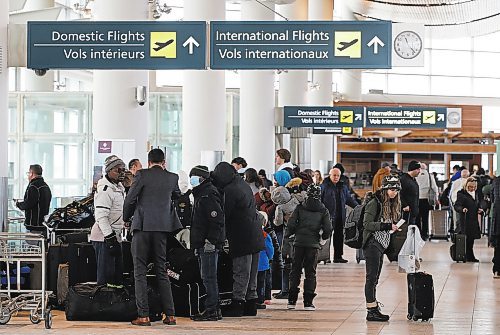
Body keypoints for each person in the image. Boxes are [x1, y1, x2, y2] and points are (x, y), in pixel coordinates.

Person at [123, 148, 183, 327]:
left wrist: (126, 219)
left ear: (148, 162)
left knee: (139, 271)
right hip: (162, 229)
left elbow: (130, 199)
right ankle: (171, 315)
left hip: (142, 228)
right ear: (163, 162)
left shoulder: (141, 175)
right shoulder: (172, 177)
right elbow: (177, 196)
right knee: (161, 270)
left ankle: (144, 316)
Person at [211, 162, 265, 317]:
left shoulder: (230, 190)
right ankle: (250, 305)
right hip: (255, 233)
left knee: (241, 272)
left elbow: (224, 214)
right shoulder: (242, 184)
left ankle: (237, 305)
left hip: (242, 236)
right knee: (252, 273)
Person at [286, 184, 332, 311]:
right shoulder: (323, 210)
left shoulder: (300, 207)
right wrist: (323, 239)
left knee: (295, 271)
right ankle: (308, 302)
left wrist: (290, 235)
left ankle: (291, 301)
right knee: (310, 273)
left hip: (299, 243)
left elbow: (291, 223)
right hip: (313, 245)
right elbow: (328, 228)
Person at [189, 165, 225, 321]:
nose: (192, 181)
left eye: (194, 177)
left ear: (202, 178)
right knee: (207, 277)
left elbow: (216, 219)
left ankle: (212, 309)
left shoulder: (208, 194)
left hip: (208, 243)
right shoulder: (201, 193)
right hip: (202, 242)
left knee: (209, 277)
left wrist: (210, 241)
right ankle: (213, 309)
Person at [362, 175, 401, 321]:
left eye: (396, 190)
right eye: (391, 189)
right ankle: (371, 310)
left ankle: (373, 307)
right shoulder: (374, 202)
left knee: (375, 278)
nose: (394, 192)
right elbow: (367, 224)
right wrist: (386, 226)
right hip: (372, 243)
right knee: (371, 278)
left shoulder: (391, 204)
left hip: (381, 244)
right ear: (384, 189)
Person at [90, 155, 126, 286]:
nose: (122, 173)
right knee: (106, 278)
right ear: (109, 171)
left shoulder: (119, 188)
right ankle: (103, 304)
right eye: (118, 170)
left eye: (123, 170)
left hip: (114, 236)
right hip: (103, 237)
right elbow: (101, 217)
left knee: (116, 277)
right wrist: (110, 238)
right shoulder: (105, 190)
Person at [320, 167, 358, 263]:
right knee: (326, 236)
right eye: (334, 175)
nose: (336, 177)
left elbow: (349, 199)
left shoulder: (343, 187)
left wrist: (359, 207)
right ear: (330, 175)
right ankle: (325, 256)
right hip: (327, 216)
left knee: (339, 236)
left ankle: (338, 257)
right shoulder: (324, 186)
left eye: (338, 175)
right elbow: (319, 201)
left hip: (340, 216)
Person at [271, 186, 301, 299]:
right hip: (299, 236)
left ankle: (285, 290)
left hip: (288, 237)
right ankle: (293, 289)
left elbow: (278, 223)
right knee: (295, 265)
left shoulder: (280, 207)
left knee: (286, 265)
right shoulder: (296, 200)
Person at [15, 164, 52, 232]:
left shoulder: (33, 186)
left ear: (32, 173)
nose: (28, 175)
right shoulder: (45, 185)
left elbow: (29, 203)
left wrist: (18, 204)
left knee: (32, 241)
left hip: (34, 225)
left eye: (28, 173)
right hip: (43, 223)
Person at [453, 177, 482, 262]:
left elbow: (476, 204)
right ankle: (465, 255)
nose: (472, 189)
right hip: (465, 220)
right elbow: (457, 205)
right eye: (470, 187)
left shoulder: (475, 194)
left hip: (473, 219)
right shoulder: (461, 194)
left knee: (471, 239)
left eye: (474, 187)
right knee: (466, 238)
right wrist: (462, 209)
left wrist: (479, 209)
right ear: (466, 186)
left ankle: (470, 256)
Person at [415, 163, 439, 240]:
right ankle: (425, 235)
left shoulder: (416, 174)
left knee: (417, 218)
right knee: (425, 218)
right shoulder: (429, 175)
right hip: (426, 199)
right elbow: (434, 187)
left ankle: (418, 235)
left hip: (416, 199)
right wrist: (436, 198)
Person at [256, 211, 274, 310]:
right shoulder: (265, 235)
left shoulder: (251, 233)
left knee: (254, 282)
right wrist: (270, 258)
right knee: (261, 283)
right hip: (263, 264)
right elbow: (270, 249)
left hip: (252, 263)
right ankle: (260, 299)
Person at [400, 161, 421, 227]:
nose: (419, 171)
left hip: (412, 212)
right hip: (406, 213)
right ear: (413, 169)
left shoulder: (413, 179)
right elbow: (399, 194)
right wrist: (404, 205)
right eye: (418, 169)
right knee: (404, 232)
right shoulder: (404, 179)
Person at [490, 176, 500, 278]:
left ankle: (497, 269)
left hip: (498, 217)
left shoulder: (496, 181)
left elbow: (492, 199)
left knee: (498, 245)